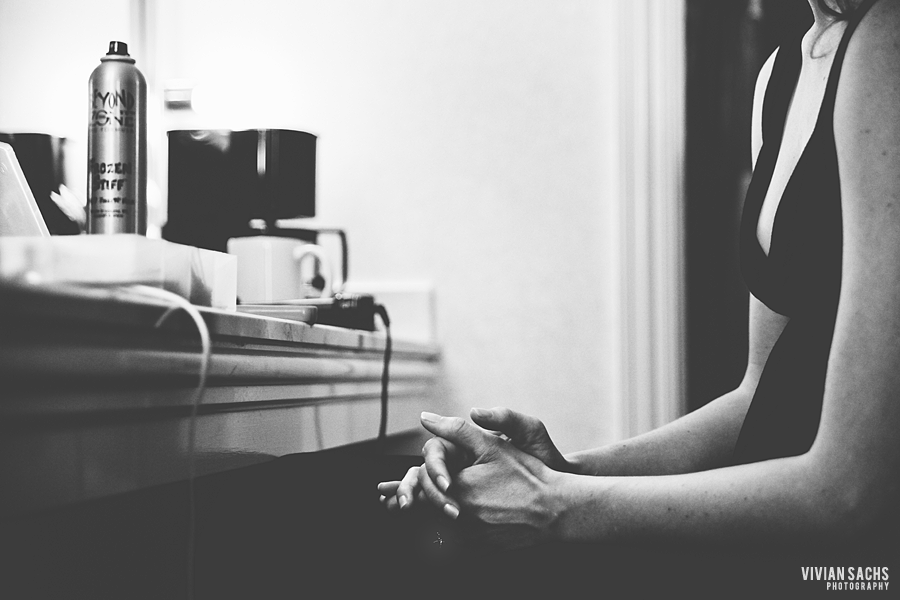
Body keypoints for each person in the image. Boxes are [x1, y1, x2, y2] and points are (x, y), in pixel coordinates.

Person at [378, 0, 900, 572]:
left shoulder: (887, 37)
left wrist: (555, 504)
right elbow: (759, 394)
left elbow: (848, 493)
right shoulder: (778, 77)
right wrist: (556, 471)